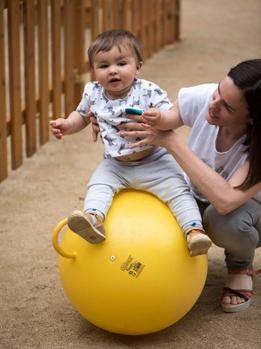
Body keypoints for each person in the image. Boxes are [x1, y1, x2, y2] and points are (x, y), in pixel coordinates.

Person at [49, 29, 212, 256]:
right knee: (98, 184)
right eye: (103, 66)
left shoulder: (148, 91)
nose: (113, 70)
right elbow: (83, 115)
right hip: (116, 164)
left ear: (138, 66)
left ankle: (194, 231)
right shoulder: (92, 92)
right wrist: (68, 124)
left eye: (121, 63)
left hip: (154, 160)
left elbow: (170, 116)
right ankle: (93, 219)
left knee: (179, 191)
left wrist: (160, 118)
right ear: (93, 71)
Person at [117, 59, 261, 313]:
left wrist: (173, 143)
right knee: (160, 196)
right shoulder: (207, 98)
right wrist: (108, 117)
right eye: (218, 90)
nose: (213, 105)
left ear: (252, 120)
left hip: (247, 213)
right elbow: (163, 119)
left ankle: (240, 263)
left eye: (226, 106)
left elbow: (226, 201)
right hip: (201, 195)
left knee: (222, 221)